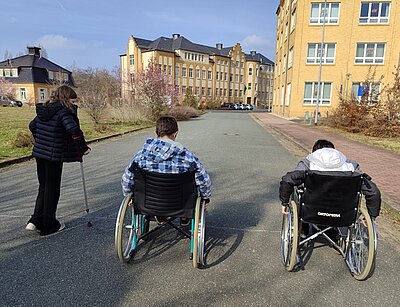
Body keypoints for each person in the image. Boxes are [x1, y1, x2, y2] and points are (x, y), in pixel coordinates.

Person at [121, 115, 211, 224]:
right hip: (181, 205)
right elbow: (204, 181)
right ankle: (184, 217)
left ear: (156, 133)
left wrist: (129, 195)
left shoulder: (140, 156)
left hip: (148, 203)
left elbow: (127, 178)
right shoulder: (188, 157)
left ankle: (159, 215)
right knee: (194, 185)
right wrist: (205, 198)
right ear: (175, 133)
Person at [26, 85, 90, 236]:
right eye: (73, 100)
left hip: (40, 154)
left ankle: (35, 220)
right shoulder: (64, 111)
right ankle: (49, 225)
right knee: (52, 189)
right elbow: (74, 130)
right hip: (53, 156)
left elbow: (32, 125)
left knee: (43, 186)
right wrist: (83, 149)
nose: (75, 103)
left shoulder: (46, 109)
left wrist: (40, 140)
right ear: (66, 98)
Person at [279, 139, 381, 220]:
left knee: (298, 191)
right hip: (343, 211)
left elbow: (288, 180)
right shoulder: (351, 166)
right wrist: (372, 215)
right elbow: (373, 192)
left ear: (314, 152)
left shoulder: (307, 164)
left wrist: (284, 202)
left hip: (312, 210)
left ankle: (304, 230)